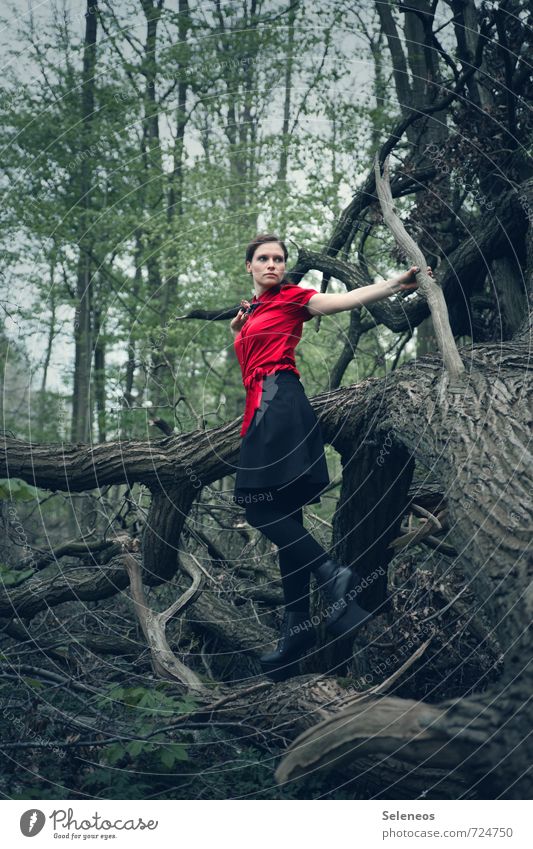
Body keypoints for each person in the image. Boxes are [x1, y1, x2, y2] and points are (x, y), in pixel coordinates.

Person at [230, 233, 428, 681]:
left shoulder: (292, 299)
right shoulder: (254, 312)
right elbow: (245, 350)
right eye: (263, 259)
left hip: (279, 404)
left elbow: (349, 298)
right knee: (288, 520)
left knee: (257, 509)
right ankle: (296, 631)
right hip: (261, 410)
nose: (272, 265)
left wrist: (396, 284)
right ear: (249, 266)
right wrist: (237, 328)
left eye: (279, 259)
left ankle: (333, 574)